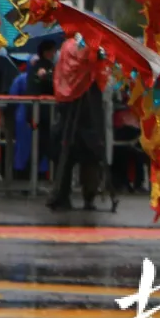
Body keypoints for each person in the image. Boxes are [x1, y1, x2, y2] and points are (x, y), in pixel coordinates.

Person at [46, 35, 108, 211]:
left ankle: (62, 194)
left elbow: (60, 75)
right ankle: (89, 196)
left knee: (66, 153)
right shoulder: (91, 46)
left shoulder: (67, 47)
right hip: (87, 106)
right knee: (90, 155)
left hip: (69, 106)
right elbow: (100, 70)